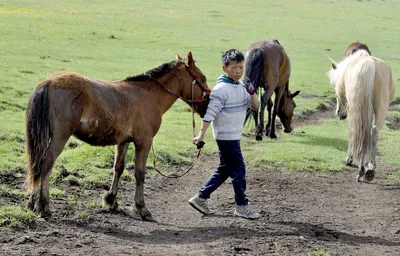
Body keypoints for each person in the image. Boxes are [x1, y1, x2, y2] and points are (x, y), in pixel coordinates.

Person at [188, 49, 261, 219]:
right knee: (239, 171)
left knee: (225, 169)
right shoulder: (221, 89)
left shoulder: (242, 86)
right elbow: (210, 114)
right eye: (234, 67)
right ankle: (242, 206)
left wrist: (252, 92)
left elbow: (255, 107)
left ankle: (201, 198)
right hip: (225, 137)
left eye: (241, 67)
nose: (238, 71)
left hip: (233, 136)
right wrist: (200, 135)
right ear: (224, 68)